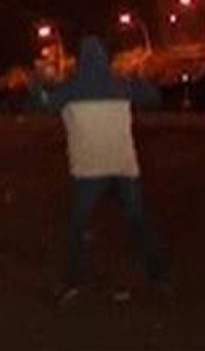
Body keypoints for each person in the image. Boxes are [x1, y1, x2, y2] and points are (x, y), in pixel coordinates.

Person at [30, 34, 170, 304]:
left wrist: (38, 80)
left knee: (78, 225)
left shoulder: (71, 89)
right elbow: (153, 97)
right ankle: (159, 276)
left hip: (88, 169)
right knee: (139, 222)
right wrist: (138, 76)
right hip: (122, 166)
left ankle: (74, 281)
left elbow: (41, 104)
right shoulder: (120, 85)